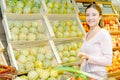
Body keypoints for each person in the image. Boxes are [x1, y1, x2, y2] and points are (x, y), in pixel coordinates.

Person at [77, 2, 112, 80]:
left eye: (94, 15)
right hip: (85, 75)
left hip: (98, 76)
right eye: (87, 15)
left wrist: (89, 58)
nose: (90, 18)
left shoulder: (103, 34)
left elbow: (108, 60)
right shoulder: (86, 35)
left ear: (100, 17)